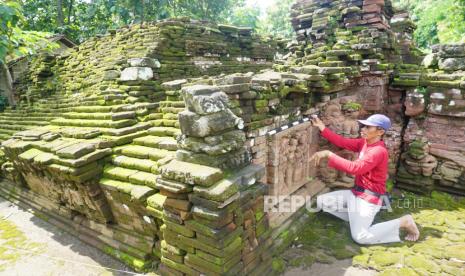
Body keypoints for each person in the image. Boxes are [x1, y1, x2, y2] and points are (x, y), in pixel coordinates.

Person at [310, 114, 420, 244]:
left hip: (369, 198)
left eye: (368, 127)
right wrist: (321, 127)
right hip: (356, 193)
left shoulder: (378, 151)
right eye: (364, 126)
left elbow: (355, 168)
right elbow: (342, 142)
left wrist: (329, 154)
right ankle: (358, 219)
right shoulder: (364, 143)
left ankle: (403, 221)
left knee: (360, 237)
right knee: (322, 202)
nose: (363, 129)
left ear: (380, 132)